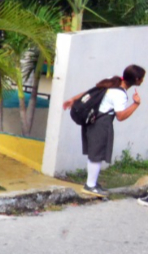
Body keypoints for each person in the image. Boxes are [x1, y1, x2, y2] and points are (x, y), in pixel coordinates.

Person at [62, 65, 144, 198]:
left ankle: (92, 183)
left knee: (95, 152)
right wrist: (135, 104)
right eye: (142, 78)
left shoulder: (112, 80)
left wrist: (74, 99)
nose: (143, 81)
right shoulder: (120, 94)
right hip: (101, 123)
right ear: (136, 79)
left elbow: (91, 92)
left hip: (92, 119)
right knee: (97, 154)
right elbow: (120, 116)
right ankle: (90, 186)